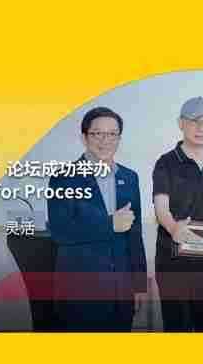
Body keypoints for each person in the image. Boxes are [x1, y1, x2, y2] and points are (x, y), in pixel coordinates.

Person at [47, 106, 147, 331]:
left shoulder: (129, 177)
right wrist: (110, 224)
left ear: (119, 138)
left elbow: (135, 234)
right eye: (97, 134)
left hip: (122, 293)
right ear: (84, 137)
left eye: (112, 134)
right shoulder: (63, 178)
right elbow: (61, 231)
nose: (105, 140)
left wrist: (140, 285)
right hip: (80, 293)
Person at [152, 96, 203, 331]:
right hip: (173, 265)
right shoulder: (165, 163)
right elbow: (161, 208)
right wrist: (173, 228)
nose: (201, 128)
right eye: (194, 121)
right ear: (181, 124)